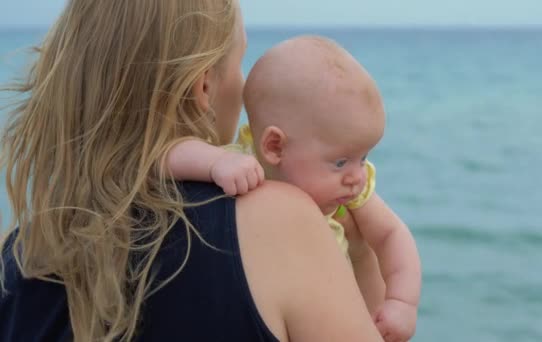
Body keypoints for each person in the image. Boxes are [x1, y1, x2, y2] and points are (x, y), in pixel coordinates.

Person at [0, 1, 384, 341]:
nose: (245, 83)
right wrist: (361, 250)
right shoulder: (278, 218)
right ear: (203, 86)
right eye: (240, 62)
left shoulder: (19, 255)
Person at [166, 36, 421, 341]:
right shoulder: (241, 162)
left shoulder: (349, 191)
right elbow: (166, 155)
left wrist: (402, 302)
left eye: (363, 157)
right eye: (340, 162)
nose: (357, 176)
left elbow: (392, 235)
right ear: (275, 147)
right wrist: (213, 162)